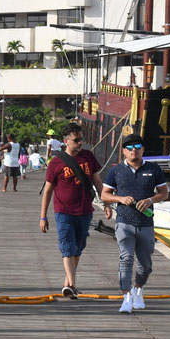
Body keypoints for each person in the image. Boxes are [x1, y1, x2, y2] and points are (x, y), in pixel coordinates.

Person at [101, 133, 169, 313]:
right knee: (126, 259)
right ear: (123, 151)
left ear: (143, 150)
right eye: (130, 148)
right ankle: (126, 297)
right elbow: (104, 195)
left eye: (138, 147)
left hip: (146, 223)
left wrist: (150, 200)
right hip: (124, 222)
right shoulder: (115, 171)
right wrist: (120, 199)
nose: (134, 151)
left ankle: (138, 288)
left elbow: (164, 193)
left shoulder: (153, 169)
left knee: (146, 264)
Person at [39, 124, 108, 298]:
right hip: (63, 211)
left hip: (85, 210)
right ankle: (73, 285)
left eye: (81, 139)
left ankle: (67, 284)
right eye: (76, 140)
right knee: (67, 247)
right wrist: (43, 216)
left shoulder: (88, 157)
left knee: (78, 247)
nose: (80, 143)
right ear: (66, 141)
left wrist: (106, 203)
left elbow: (98, 182)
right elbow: (47, 191)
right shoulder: (56, 162)